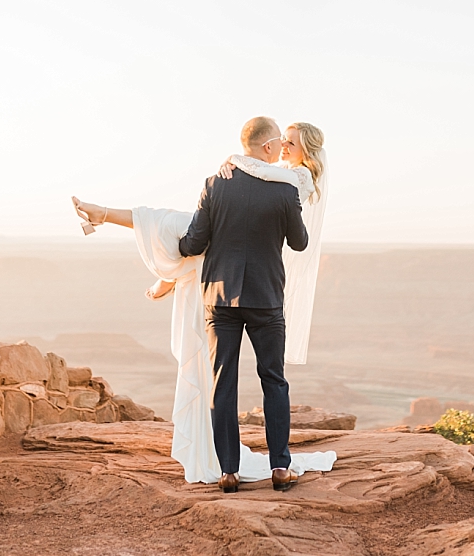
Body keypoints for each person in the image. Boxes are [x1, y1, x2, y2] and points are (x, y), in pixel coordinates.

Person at [72, 118, 333, 487]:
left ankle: (228, 471)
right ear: (268, 146)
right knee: (273, 380)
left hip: (221, 299)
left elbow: (191, 244)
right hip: (266, 299)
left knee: (222, 383)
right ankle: (279, 467)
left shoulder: (216, 183)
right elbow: (300, 243)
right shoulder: (284, 191)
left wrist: (181, 263)